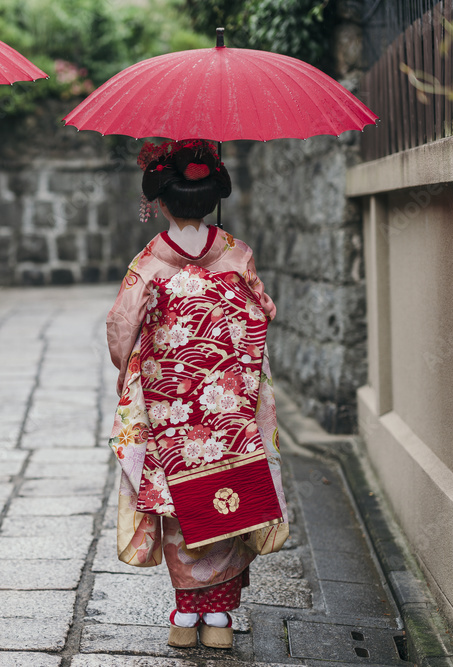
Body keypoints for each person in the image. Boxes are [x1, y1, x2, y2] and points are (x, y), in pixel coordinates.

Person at [106, 139, 287, 650]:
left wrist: (133, 368)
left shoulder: (149, 262)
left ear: (159, 201)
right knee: (228, 494)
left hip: (171, 408)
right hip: (229, 406)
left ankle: (185, 616)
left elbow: (122, 330)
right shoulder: (236, 253)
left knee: (179, 505)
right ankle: (221, 620)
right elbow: (263, 312)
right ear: (213, 197)